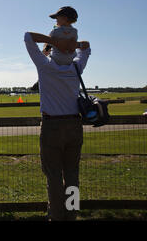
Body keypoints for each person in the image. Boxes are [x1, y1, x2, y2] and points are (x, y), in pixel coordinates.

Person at [24, 30, 91, 221]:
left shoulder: (45, 66)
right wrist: (72, 45)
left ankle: (56, 215)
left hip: (52, 124)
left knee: (53, 175)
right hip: (74, 124)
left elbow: (28, 36)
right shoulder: (77, 66)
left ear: (53, 49)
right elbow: (86, 47)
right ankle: (72, 213)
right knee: (72, 174)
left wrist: (54, 41)